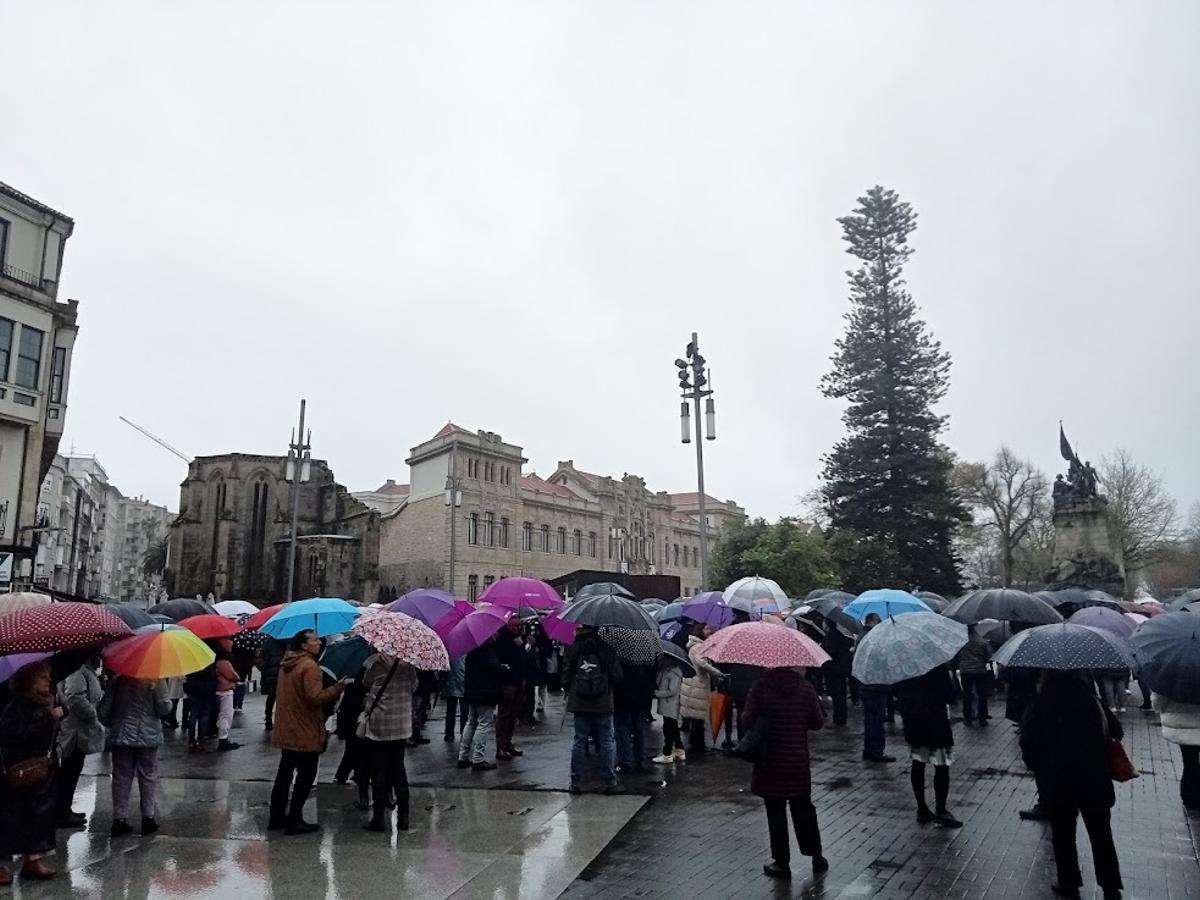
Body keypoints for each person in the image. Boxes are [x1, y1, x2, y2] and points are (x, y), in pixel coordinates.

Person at [1020, 670, 1123, 900]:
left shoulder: (1041, 702)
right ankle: (1110, 886)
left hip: (1059, 781)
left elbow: (1027, 740)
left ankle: (1069, 884)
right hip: (1094, 778)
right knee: (1101, 834)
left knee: (1063, 834)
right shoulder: (1092, 701)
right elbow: (1117, 731)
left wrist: (1039, 765)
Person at [743, 665, 829, 880]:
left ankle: (781, 862)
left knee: (776, 813)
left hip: (770, 762)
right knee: (804, 810)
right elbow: (817, 723)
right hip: (797, 761)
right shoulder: (805, 688)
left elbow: (747, 720)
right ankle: (816, 857)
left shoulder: (761, 687)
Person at [269, 629, 348, 834]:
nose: (319, 642)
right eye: (314, 640)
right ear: (304, 645)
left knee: (284, 774)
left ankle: (276, 816)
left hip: (287, 726)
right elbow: (315, 697)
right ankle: (295, 818)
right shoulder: (310, 666)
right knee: (306, 775)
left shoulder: (287, 663)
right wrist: (337, 688)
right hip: (305, 728)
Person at [0, 662, 63, 883]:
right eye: (42, 677)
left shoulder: (46, 702)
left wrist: (58, 715)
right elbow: (13, 735)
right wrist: (48, 719)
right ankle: (3, 863)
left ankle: (33, 859)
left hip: (42, 770)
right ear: (29, 681)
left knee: (38, 816)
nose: (48, 681)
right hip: (21, 769)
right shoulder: (17, 706)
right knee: (12, 816)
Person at [99, 672, 172, 838]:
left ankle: (119, 819)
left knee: (120, 777)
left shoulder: (118, 680)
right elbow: (163, 709)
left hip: (121, 735)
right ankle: (148, 817)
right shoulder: (155, 679)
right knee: (148, 776)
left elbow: (103, 711)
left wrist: (115, 722)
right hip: (147, 735)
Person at [896, 665, 962, 827]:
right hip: (935, 722)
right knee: (941, 765)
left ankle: (922, 808)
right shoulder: (935, 666)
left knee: (918, 764)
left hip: (914, 722)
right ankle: (941, 809)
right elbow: (950, 695)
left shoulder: (904, 667)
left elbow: (896, 692)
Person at [359, 652, 417, 833]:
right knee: (398, 768)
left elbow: (366, 683)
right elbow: (414, 686)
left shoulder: (375, 662)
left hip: (379, 723)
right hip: (401, 724)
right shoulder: (408, 662)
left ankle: (378, 818)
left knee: (378, 770)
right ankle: (404, 816)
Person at [562, 625, 623, 794]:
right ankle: (610, 782)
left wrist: (570, 688)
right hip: (603, 702)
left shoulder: (573, 648)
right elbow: (618, 675)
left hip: (579, 701)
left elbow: (566, 675)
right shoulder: (606, 648)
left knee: (579, 741)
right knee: (606, 741)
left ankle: (576, 782)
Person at [54, 655, 105, 829]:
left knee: (72, 771)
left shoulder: (84, 672)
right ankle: (61, 811)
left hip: (80, 732)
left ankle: (65, 808)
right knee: (69, 771)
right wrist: (92, 715)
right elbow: (75, 699)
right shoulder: (77, 672)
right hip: (75, 733)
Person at [458, 636, 502, 771]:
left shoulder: (472, 650)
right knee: (484, 723)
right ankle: (478, 758)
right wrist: (502, 668)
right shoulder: (486, 651)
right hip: (484, 692)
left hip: (472, 691)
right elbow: (493, 670)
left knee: (471, 722)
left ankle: (463, 756)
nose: (495, 634)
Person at [1151, 692, 1200, 810]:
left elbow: (1158, 701)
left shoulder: (1175, 681)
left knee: (1190, 761)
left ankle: (1190, 797)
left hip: (1183, 725)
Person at [681, 625, 724, 753]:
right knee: (698, 716)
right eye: (706, 629)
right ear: (700, 631)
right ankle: (698, 743)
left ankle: (696, 741)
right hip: (697, 683)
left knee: (697, 716)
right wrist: (718, 673)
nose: (709, 631)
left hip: (695, 682)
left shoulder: (696, 645)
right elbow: (702, 663)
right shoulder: (698, 646)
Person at [859, 614, 895, 763]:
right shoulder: (871, 637)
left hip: (869, 683)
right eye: (878, 621)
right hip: (875, 684)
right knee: (876, 720)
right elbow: (878, 658)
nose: (880, 623)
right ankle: (876, 751)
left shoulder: (864, 635)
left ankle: (870, 749)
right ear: (870, 621)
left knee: (871, 720)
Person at [333, 670, 370, 810]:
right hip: (356, 718)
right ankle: (352, 777)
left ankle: (343, 775)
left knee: (353, 750)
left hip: (352, 717)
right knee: (357, 750)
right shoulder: (361, 673)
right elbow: (353, 698)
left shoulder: (356, 670)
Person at [493, 617, 527, 760]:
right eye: (516, 625)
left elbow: (524, 660)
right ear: (509, 626)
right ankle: (501, 746)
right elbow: (502, 660)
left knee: (513, 714)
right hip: (507, 683)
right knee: (505, 714)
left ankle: (508, 742)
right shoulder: (502, 640)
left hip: (518, 680)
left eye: (520, 625)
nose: (519, 628)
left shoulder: (519, 640)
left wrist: (521, 646)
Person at [613, 660, 655, 773]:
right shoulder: (646, 655)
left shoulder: (620, 654)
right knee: (639, 729)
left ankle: (625, 762)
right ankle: (640, 761)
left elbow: (616, 675)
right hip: (641, 695)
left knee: (622, 729)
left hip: (621, 695)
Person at [651, 653, 685, 764]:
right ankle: (679, 750)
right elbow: (658, 682)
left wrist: (657, 693)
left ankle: (667, 753)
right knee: (673, 727)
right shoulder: (664, 670)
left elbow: (672, 691)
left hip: (670, 704)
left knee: (669, 728)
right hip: (666, 704)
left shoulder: (674, 673)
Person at [957, 625, 993, 726]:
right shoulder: (982, 641)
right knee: (982, 694)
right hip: (980, 670)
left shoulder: (961, 642)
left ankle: (968, 718)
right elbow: (989, 656)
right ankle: (982, 717)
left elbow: (957, 655)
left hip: (965, 670)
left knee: (967, 695)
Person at [820, 626, 852, 727]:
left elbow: (829, 651)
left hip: (834, 671)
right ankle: (841, 718)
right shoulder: (842, 636)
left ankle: (838, 720)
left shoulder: (832, 636)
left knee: (837, 696)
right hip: (840, 670)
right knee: (840, 695)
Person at [184, 656, 217, 753]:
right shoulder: (208, 656)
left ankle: (191, 740)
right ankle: (200, 740)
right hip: (207, 684)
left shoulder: (190, 657)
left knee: (193, 713)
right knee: (205, 714)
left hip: (193, 684)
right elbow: (213, 673)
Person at [214, 638, 241, 752]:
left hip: (219, 689)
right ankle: (223, 739)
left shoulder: (216, 661)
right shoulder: (223, 662)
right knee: (226, 715)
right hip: (225, 690)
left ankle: (223, 738)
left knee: (222, 715)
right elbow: (233, 675)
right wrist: (237, 677)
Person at [259, 636, 286, 732]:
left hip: (270, 674)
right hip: (282, 673)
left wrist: (264, 668)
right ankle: (280, 721)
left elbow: (261, 657)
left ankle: (268, 719)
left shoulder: (268, 642)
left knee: (271, 698)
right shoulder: (287, 642)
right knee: (282, 699)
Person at [440, 656, 468, 742]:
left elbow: (444, 669)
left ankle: (449, 733)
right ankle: (464, 732)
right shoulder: (467, 653)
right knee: (464, 711)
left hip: (451, 683)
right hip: (463, 683)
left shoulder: (449, 654)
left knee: (451, 711)